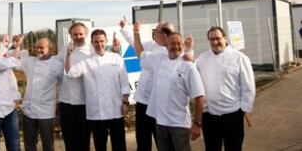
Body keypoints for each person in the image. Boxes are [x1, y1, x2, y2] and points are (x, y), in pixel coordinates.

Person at [133, 22, 205, 151]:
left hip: (180, 124)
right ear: (166, 45)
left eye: (178, 43)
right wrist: (136, 33)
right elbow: (140, 53)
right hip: (161, 123)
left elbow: (199, 97)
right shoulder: (158, 58)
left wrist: (197, 124)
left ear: (183, 45)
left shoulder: (188, 64)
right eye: (172, 43)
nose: (175, 46)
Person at [65, 29, 130, 151]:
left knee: (119, 145)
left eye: (102, 41)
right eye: (96, 42)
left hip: (116, 109)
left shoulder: (116, 58)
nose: (99, 44)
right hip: (96, 112)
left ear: (106, 42)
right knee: (100, 146)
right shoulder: (86, 61)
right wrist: (68, 55)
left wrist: (125, 102)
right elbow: (70, 73)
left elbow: (124, 82)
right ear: (92, 42)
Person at [119, 17, 175, 151]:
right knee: (143, 140)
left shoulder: (169, 52)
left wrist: (136, 32)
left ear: (165, 35)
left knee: (162, 140)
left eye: (156, 31)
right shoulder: (152, 45)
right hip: (143, 101)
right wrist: (127, 29)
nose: (154, 33)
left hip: (160, 104)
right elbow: (135, 43)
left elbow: (140, 52)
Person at [196, 26, 256, 151]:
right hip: (210, 116)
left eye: (218, 38)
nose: (215, 42)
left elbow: (249, 87)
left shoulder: (239, 58)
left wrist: (242, 110)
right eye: (211, 39)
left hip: (232, 115)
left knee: (233, 148)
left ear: (225, 38)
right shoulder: (202, 58)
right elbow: (191, 73)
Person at [19, 38, 63, 151]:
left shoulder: (57, 64)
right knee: (29, 144)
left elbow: (62, 84)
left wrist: (59, 103)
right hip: (29, 109)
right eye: (37, 47)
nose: (38, 50)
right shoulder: (30, 61)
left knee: (47, 144)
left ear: (50, 49)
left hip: (46, 110)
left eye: (41, 47)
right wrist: (16, 46)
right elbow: (14, 61)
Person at [57, 22, 92, 151]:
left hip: (84, 101)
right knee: (69, 138)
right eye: (75, 34)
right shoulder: (65, 48)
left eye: (81, 34)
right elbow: (55, 64)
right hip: (66, 101)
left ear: (86, 34)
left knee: (84, 138)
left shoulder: (91, 49)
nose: (78, 36)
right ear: (70, 35)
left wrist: (116, 50)